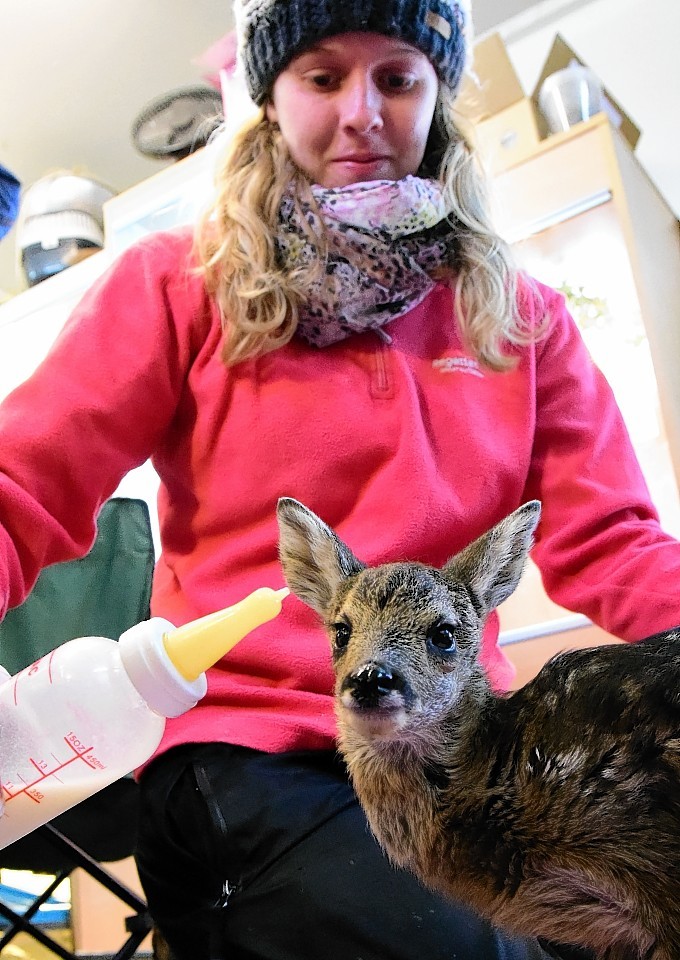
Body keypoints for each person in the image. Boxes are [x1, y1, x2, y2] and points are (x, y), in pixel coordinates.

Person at [1, 1, 679, 958]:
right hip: (248, 751)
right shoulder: (175, 286)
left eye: (397, 78)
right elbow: (22, 482)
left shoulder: (521, 321)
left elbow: (613, 541)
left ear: (437, 97)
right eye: (323, 77)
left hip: (467, 744)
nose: (362, 111)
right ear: (271, 97)